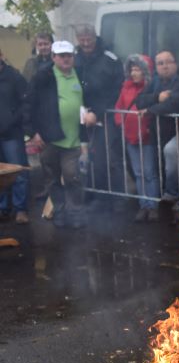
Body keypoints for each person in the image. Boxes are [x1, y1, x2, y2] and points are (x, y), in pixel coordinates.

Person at [25, 41, 88, 229]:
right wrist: (33, 133)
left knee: (72, 177)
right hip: (48, 138)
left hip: (74, 139)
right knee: (52, 178)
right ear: (53, 57)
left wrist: (93, 113)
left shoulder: (81, 74)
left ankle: (75, 212)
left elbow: (91, 99)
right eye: (61, 55)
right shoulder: (42, 76)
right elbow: (29, 106)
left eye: (69, 55)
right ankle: (60, 211)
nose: (66, 58)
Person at [134, 50, 179, 202]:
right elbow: (139, 100)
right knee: (165, 167)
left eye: (168, 62)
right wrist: (157, 97)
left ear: (175, 64)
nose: (165, 66)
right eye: (160, 63)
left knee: (175, 164)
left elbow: (174, 104)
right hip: (159, 132)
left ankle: (177, 196)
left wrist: (150, 110)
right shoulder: (155, 81)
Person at [74, 24, 124, 196]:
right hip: (80, 114)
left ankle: (114, 197)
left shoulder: (110, 59)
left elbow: (117, 90)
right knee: (84, 158)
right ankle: (90, 195)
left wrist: (98, 112)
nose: (86, 44)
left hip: (106, 115)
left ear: (95, 37)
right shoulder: (73, 59)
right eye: (82, 40)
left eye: (89, 40)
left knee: (107, 158)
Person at [114, 54, 160, 221]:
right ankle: (143, 204)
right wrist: (121, 122)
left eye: (137, 69)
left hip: (146, 136)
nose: (134, 73)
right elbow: (119, 107)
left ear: (145, 71)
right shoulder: (126, 87)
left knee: (149, 172)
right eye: (132, 69)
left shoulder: (151, 89)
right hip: (130, 136)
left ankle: (153, 205)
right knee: (139, 173)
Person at [0, 48, 30, 224]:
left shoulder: (15, 77)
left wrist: (14, 120)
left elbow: (25, 103)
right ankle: (3, 207)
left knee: (18, 171)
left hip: (12, 134)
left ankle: (21, 209)